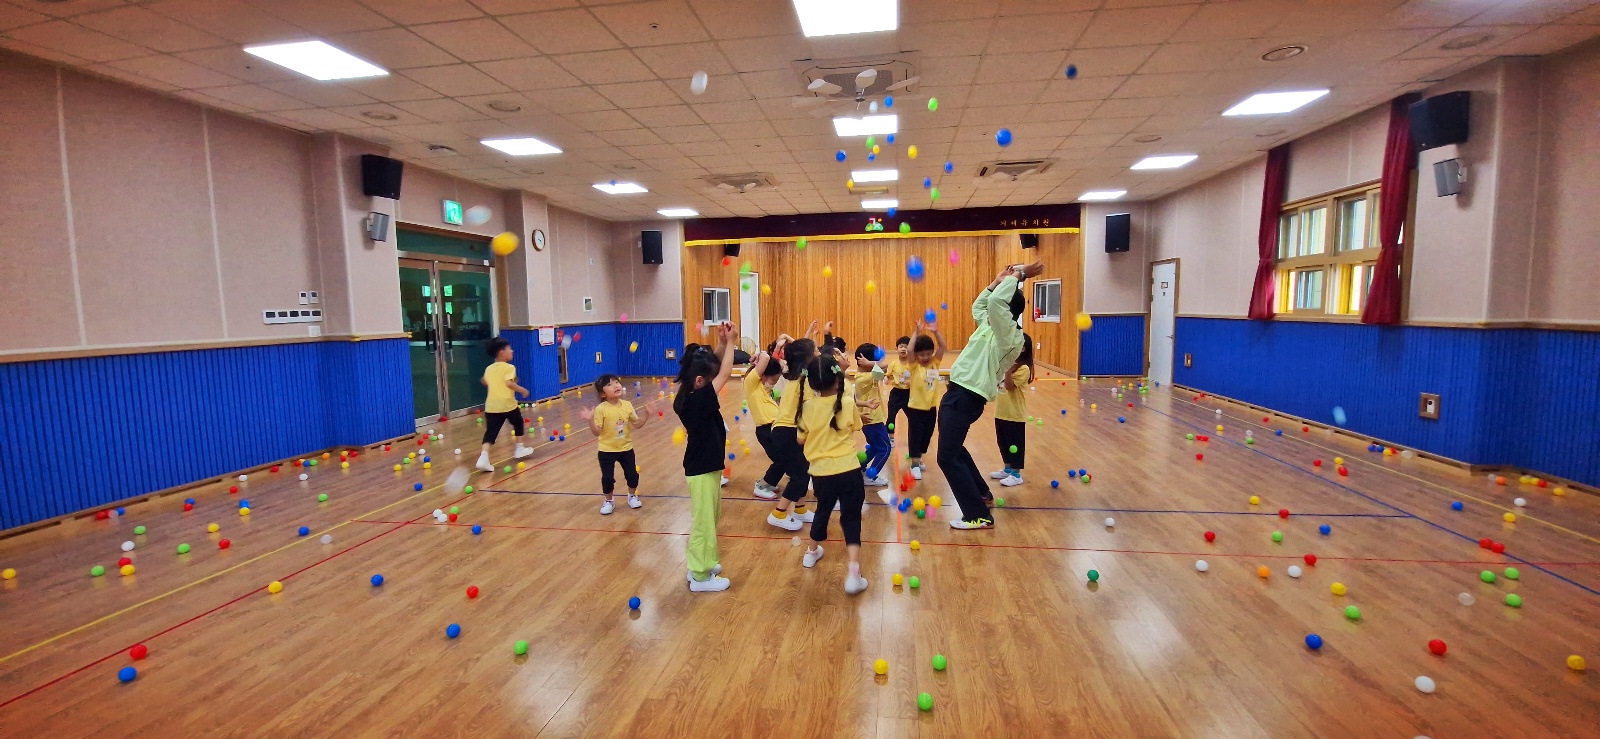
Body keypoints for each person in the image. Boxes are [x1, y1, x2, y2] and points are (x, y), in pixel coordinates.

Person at [938, 261, 1043, 530]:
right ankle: (982, 495)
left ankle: (978, 515)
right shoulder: (990, 326)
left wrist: (1019, 275)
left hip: (966, 396)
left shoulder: (1010, 336)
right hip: (958, 393)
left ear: (1007, 309)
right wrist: (996, 281)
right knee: (954, 450)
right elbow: (980, 306)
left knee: (946, 457)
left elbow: (995, 303)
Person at [797, 351, 870, 594]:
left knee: (822, 511)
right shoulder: (847, 403)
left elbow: (800, 439)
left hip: (821, 473)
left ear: (811, 383)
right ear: (837, 378)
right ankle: (854, 573)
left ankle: (811, 552)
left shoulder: (806, 407)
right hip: (849, 470)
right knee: (851, 518)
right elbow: (856, 426)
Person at [675, 322, 737, 592]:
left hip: (706, 466)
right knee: (704, 524)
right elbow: (725, 372)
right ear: (700, 381)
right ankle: (700, 575)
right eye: (710, 381)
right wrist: (732, 342)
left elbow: (715, 367)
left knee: (710, 518)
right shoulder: (697, 401)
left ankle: (701, 564)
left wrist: (722, 343)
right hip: (701, 469)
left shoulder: (690, 391)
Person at [763, 336, 820, 531]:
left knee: (803, 470)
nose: (819, 352)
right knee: (800, 477)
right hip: (788, 433)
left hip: (783, 432)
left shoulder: (798, 378)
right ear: (808, 357)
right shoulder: (806, 382)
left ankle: (801, 509)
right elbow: (808, 412)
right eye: (816, 350)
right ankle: (778, 513)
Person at [585, 373, 647, 514]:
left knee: (632, 474)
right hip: (606, 450)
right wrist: (590, 420)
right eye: (609, 384)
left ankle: (632, 496)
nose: (615, 385)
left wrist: (647, 414)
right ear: (602, 394)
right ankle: (609, 501)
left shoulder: (627, 405)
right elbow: (597, 432)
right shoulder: (601, 409)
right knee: (607, 478)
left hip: (626, 448)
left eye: (616, 382)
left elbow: (637, 424)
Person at [476, 337, 533, 473]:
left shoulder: (489, 368)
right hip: (507, 404)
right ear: (502, 352)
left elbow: (485, 381)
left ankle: (483, 457)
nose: (512, 351)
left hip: (491, 406)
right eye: (509, 349)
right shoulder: (509, 367)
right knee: (518, 422)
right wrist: (522, 390)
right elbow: (508, 383)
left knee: (491, 432)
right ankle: (519, 448)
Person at [747, 336, 790, 500]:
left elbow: (772, 362)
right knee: (782, 460)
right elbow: (766, 357)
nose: (774, 382)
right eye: (774, 379)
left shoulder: (765, 389)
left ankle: (768, 482)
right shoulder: (751, 384)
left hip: (774, 429)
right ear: (763, 375)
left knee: (783, 459)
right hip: (766, 430)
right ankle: (762, 485)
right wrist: (758, 357)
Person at [990, 333, 1034, 488]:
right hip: (1001, 412)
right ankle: (1007, 469)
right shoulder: (1008, 364)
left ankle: (1016, 474)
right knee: (1003, 442)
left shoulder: (1024, 369)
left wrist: (1007, 369)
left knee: (1015, 445)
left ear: (1024, 349)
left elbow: (1009, 386)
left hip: (1015, 415)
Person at [903, 320, 946, 480]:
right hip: (915, 409)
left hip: (931, 408)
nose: (925, 357)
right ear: (916, 355)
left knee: (926, 436)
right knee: (915, 436)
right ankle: (914, 463)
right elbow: (909, 349)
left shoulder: (935, 363)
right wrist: (916, 332)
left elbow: (942, 346)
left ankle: (919, 457)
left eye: (928, 354)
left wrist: (935, 331)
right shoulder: (915, 366)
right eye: (922, 355)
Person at [853, 342, 890, 486]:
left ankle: (857, 468)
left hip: (873, 419)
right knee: (885, 448)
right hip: (872, 420)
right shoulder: (864, 378)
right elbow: (885, 366)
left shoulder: (867, 374)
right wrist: (871, 363)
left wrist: (870, 363)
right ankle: (871, 476)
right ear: (863, 361)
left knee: (875, 447)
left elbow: (882, 368)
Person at [884, 335, 912, 438]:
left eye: (906, 347)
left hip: (909, 394)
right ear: (896, 349)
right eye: (901, 347)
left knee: (913, 417)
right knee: (891, 416)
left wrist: (912, 382)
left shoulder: (913, 364)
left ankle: (913, 438)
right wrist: (886, 379)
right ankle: (890, 437)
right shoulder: (893, 364)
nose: (903, 349)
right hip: (896, 393)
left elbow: (918, 377)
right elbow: (887, 375)